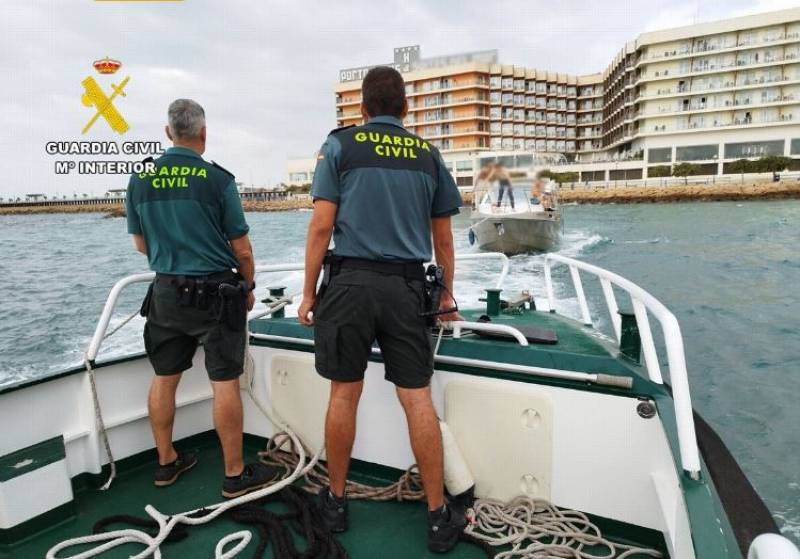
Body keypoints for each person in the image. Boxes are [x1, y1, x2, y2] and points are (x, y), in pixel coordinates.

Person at [297, 66, 467, 553]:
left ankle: (335, 501)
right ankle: (437, 517)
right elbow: (443, 239)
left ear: (364, 109)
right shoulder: (427, 155)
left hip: (348, 286)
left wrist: (309, 294)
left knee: (343, 395)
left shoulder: (340, 147)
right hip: (407, 290)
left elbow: (320, 228)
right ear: (406, 108)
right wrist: (447, 295)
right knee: (417, 399)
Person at [126, 99, 275, 498]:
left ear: (167, 132)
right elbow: (242, 249)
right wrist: (248, 286)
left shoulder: (141, 178)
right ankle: (234, 474)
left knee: (164, 378)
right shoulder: (218, 181)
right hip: (216, 295)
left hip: (166, 293)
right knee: (224, 382)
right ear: (203, 135)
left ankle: (165, 463)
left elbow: (141, 245)